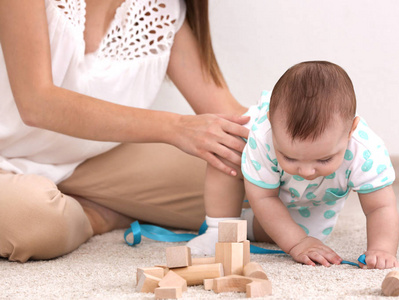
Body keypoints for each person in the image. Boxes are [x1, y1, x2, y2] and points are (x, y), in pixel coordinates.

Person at [0, 0, 250, 262]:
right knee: (31, 220)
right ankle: (101, 215)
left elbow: (234, 118)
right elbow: (37, 104)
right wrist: (176, 127)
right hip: (6, 157)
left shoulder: (162, 9)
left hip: (96, 160)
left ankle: (87, 202)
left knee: (250, 193)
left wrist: (280, 138)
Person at [187, 61, 399, 270]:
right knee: (226, 147)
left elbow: (380, 206)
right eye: (290, 157)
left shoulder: (365, 152)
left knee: (307, 236)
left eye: (324, 159)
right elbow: (263, 197)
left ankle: (246, 224)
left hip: (313, 202)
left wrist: (382, 249)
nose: (306, 171)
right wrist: (297, 244)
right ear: (270, 122)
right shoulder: (262, 135)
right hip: (257, 184)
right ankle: (219, 227)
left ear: (351, 130)